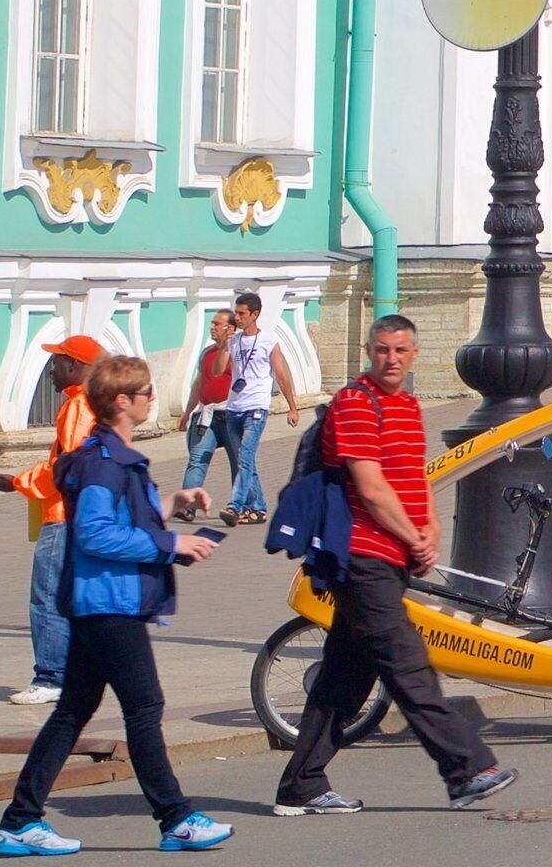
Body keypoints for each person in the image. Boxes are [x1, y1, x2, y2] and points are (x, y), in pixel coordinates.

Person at [0, 354, 236, 856]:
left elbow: (130, 515)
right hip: (109, 602)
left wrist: (173, 504)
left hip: (103, 600)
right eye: (146, 392)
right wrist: (173, 545)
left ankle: (20, 820)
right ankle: (176, 818)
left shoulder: (113, 455)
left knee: (73, 711)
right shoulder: (104, 462)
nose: (152, 398)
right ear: (123, 402)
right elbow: (98, 534)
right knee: (144, 707)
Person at [275, 315, 512, 818]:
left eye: (401, 350)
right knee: (409, 669)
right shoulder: (355, 404)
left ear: (415, 354)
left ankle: (301, 785)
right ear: (369, 350)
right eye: (382, 349)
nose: (391, 359)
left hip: (392, 557)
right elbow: (372, 488)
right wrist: (412, 538)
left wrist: (430, 531)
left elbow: (414, 477)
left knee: (344, 680)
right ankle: (466, 770)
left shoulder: (406, 405)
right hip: (363, 558)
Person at [0, 337, 101, 706]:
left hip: (63, 514)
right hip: (82, 513)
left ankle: (50, 677)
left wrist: (18, 482)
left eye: (58, 361)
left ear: (77, 366)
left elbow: (65, 466)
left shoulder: (78, 407)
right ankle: (74, 674)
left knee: (47, 597)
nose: (51, 369)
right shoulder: (96, 404)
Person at [213, 292, 284, 528]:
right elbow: (217, 370)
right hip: (234, 407)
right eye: (237, 312)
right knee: (244, 460)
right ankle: (259, 508)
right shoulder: (233, 341)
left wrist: (293, 408)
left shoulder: (268, 341)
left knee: (244, 457)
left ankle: (235, 505)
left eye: (242, 313)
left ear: (255, 314)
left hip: (256, 408)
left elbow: (282, 375)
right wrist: (223, 344)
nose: (238, 317)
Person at [176, 309, 236, 512]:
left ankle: (242, 505)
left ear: (231, 328)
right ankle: (187, 505)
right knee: (197, 459)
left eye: (217, 324)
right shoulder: (207, 353)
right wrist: (186, 414)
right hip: (207, 416)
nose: (212, 327)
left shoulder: (238, 352)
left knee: (239, 462)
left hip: (230, 416)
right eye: (212, 323)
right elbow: (198, 384)